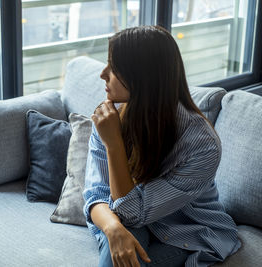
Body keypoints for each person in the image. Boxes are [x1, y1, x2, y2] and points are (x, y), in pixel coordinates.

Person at [82, 25, 241, 267]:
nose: (103, 73)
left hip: (183, 230)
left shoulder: (201, 146)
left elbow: (132, 212)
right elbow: (97, 194)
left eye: (113, 66)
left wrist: (114, 146)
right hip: (125, 221)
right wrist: (112, 228)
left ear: (142, 76)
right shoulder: (109, 118)